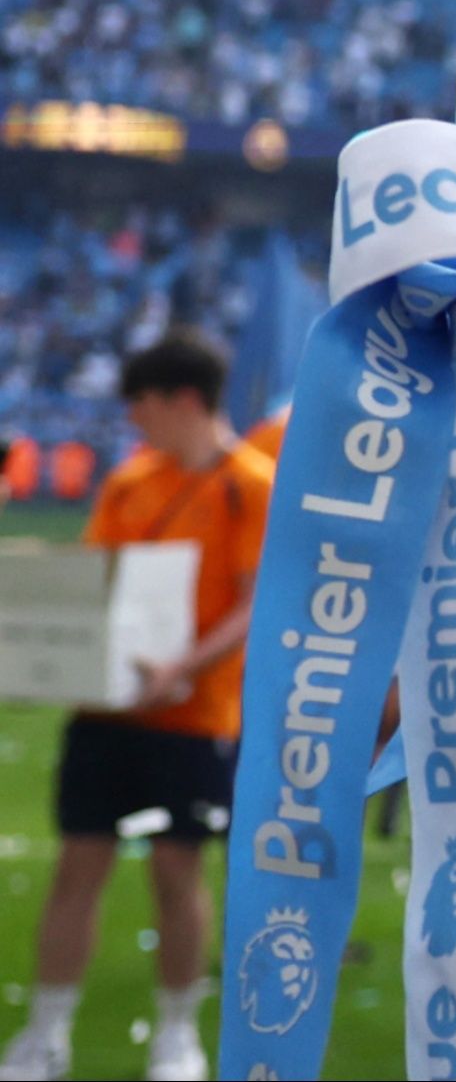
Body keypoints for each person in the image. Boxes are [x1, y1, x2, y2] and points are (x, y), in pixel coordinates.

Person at [0, 332, 274, 1082]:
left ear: (183, 401)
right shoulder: (130, 483)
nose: (135, 421)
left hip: (193, 718)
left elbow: (254, 603)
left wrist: (181, 668)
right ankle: (45, 1033)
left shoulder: (251, 483)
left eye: (142, 405)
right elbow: (94, 582)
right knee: (76, 864)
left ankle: (175, 1036)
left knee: (175, 870)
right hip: (106, 711)